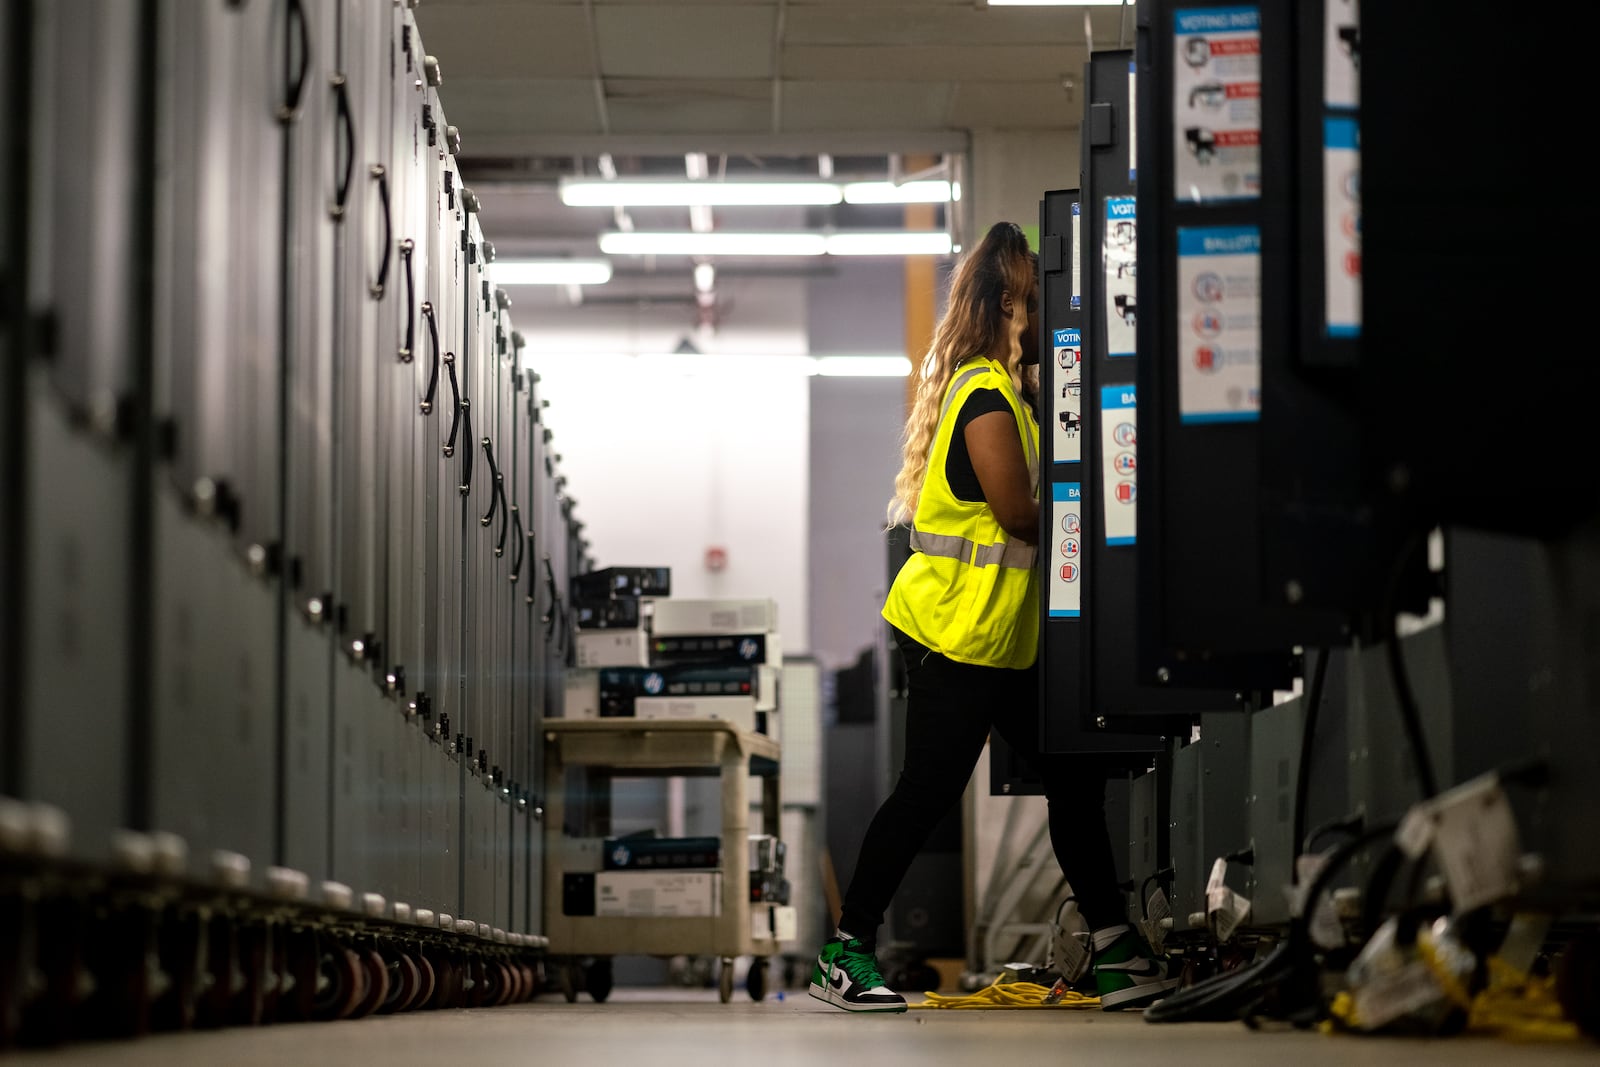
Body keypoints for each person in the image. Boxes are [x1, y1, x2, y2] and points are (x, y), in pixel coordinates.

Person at [808, 221, 1179, 1014]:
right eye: (1042, 295)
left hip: (1000, 639)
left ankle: (1112, 949)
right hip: (955, 633)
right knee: (928, 790)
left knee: (1072, 774)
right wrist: (1111, 505)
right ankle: (846, 951)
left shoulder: (1014, 393)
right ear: (1012, 301)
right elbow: (1016, 514)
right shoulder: (984, 392)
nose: (1054, 310)